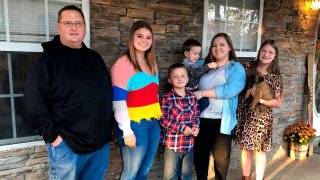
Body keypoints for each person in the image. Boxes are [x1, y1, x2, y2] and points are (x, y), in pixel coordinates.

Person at [23, 5, 113, 179]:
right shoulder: (47, 61)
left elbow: (105, 94)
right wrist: (55, 138)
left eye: (78, 23)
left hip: (100, 144)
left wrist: (108, 128)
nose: (74, 27)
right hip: (67, 147)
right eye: (68, 23)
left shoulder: (94, 58)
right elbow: (32, 105)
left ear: (85, 27)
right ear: (59, 27)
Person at [111, 20, 162, 180]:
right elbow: (118, 102)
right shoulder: (123, 64)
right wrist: (126, 130)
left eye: (148, 37)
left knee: (145, 169)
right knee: (131, 171)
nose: (144, 40)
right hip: (134, 125)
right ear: (132, 38)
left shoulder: (152, 63)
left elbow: (154, 95)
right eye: (140, 36)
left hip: (153, 123)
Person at [192, 33, 246, 180]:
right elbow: (187, 75)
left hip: (222, 120)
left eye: (222, 45)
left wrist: (202, 93)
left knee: (221, 160)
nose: (218, 48)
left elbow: (230, 90)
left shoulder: (236, 68)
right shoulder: (202, 64)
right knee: (200, 158)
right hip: (200, 119)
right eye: (214, 45)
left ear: (229, 47)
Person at [233, 39, 283, 180]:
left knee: (259, 150)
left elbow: (278, 102)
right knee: (246, 148)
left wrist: (261, 100)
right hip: (245, 114)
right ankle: (246, 177)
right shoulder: (248, 67)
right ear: (259, 51)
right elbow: (237, 87)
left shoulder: (275, 77)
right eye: (264, 51)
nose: (266, 54)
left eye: (271, 52)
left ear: (275, 56)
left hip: (261, 118)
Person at [160, 63, 200, 180]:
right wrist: (182, 128)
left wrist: (195, 127)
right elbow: (164, 120)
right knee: (170, 176)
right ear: (169, 80)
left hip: (189, 145)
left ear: (187, 79)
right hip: (173, 145)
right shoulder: (167, 98)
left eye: (183, 76)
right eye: (175, 76)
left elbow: (196, 116)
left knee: (186, 175)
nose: (180, 78)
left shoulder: (192, 97)